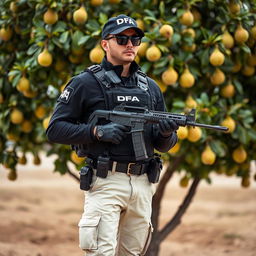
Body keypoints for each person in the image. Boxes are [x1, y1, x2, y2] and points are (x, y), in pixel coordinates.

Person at [46, 14, 178, 256]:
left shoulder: (150, 88)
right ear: (105, 44)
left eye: (135, 39)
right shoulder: (84, 83)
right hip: (106, 181)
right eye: (122, 39)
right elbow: (55, 129)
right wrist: (95, 131)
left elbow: (163, 144)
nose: (130, 44)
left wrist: (167, 133)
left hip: (143, 183)